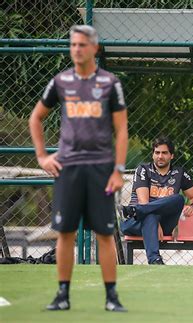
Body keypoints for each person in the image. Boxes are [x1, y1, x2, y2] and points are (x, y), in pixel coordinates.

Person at [29, 25, 128, 311]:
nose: (76, 50)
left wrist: (118, 170)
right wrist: (42, 157)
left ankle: (111, 297)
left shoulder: (111, 83)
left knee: (105, 234)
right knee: (65, 233)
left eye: (82, 45)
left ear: (94, 49)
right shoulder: (60, 81)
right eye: (73, 45)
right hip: (68, 169)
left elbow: (121, 131)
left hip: (101, 169)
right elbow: (35, 118)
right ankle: (62, 295)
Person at [121, 136, 193, 265]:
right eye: (157, 152)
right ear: (153, 154)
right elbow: (143, 201)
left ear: (172, 156)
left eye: (164, 153)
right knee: (150, 216)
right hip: (135, 221)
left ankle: (133, 210)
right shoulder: (143, 170)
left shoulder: (179, 173)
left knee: (179, 199)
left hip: (161, 222)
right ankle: (155, 260)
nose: (160, 156)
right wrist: (154, 222)